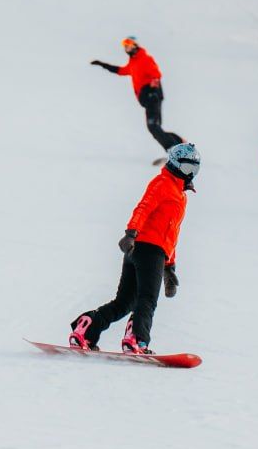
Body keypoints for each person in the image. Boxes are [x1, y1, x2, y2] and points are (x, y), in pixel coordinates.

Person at [69, 143, 200, 354]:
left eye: (194, 169)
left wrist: (170, 267)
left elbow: (171, 233)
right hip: (147, 249)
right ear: (175, 164)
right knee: (147, 299)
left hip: (147, 251)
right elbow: (144, 207)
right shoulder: (163, 183)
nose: (190, 174)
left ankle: (87, 329)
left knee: (124, 302)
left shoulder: (180, 194)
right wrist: (131, 233)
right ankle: (137, 339)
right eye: (186, 168)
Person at [91, 36, 185, 151]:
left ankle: (173, 149)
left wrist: (154, 92)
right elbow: (121, 71)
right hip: (148, 99)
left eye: (128, 44)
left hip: (152, 97)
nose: (126, 47)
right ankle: (179, 144)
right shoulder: (133, 62)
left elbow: (156, 75)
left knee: (153, 126)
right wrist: (103, 64)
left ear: (135, 45)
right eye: (124, 45)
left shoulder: (144, 58)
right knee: (155, 128)